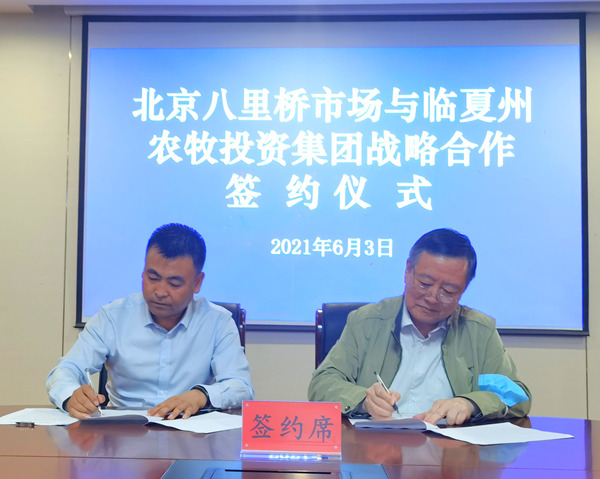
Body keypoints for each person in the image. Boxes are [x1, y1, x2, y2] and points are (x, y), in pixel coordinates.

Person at [308, 228, 531, 425]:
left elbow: (517, 395)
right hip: (376, 447)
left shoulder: (479, 330)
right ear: (408, 271)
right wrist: (364, 400)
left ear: (463, 289)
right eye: (424, 283)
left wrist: (470, 403)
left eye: (449, 291)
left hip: (450, 451)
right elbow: (322, 383)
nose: (432, 297)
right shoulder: (366, 322)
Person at [47, 223, 254, 419]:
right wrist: (71, 396)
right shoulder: (113, 317)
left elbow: (241, 386)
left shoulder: (217, 322)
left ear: (197, 283)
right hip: (124, 431)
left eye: (174, 283)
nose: (160, 292)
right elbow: (66, 370)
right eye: (153, 278)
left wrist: (200, 396)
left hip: (190, 430)